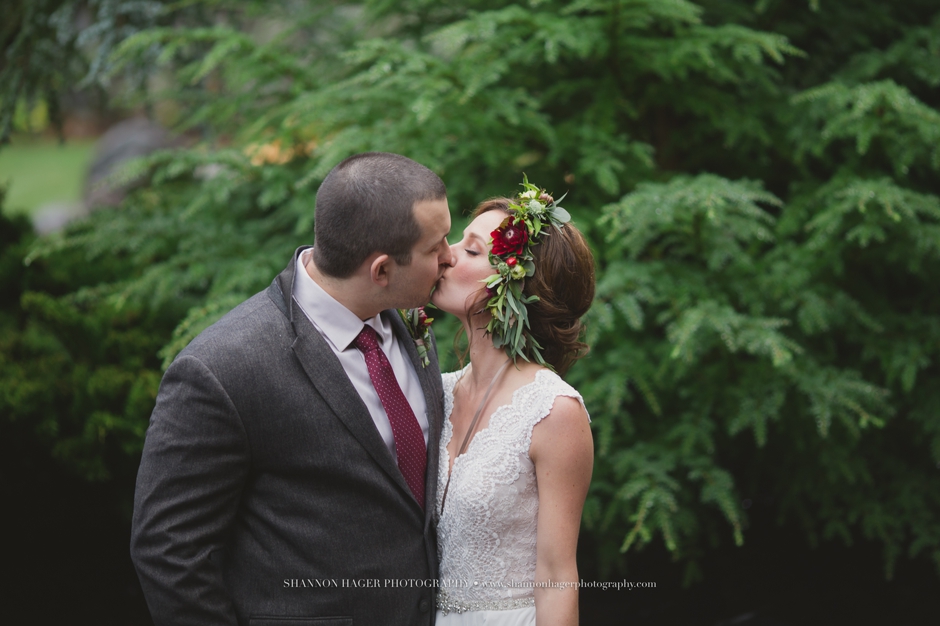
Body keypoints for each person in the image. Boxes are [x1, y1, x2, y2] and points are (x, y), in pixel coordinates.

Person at [130, 152, 455, 626]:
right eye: (436, 247)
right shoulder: (220, 369)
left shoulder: (405, 317)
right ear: (381, 269)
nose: (449, 258)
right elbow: (168, 552)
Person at [430, 182, 596, 626]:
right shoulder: (435, 392)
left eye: (470, 249)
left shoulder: (553, 410)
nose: (445, 254)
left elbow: (558, 575)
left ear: (510, 283)